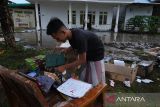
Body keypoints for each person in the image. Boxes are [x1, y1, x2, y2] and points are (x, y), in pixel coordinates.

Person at [46, 17, 105, 86]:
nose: (57, 40)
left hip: (96, 56)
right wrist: (67, 49)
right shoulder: (71, 34)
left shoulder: (79, 37)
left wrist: (64, 67)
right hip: (88, 54)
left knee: (95, 82)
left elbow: (82, 60)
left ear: (63, 32)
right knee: (84, 77)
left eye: (57, 38)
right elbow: (75, 44)